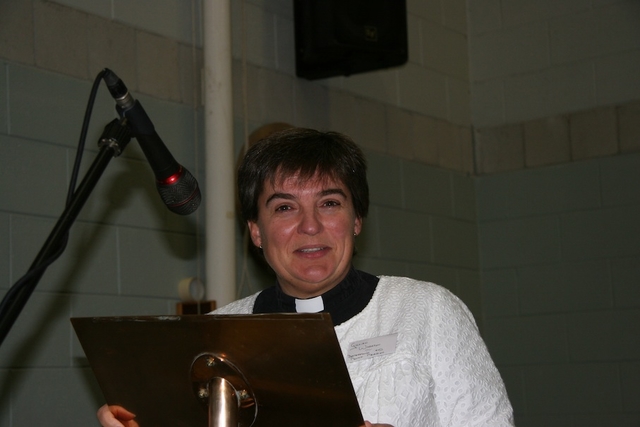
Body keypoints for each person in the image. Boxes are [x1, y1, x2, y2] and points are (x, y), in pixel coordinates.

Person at [98, 128, 514, 427]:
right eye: (284, 208)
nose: (310, 226)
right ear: (256, 231)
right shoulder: (218, 336)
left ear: (356, 221)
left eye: (330, 203)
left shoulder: (426, 310)